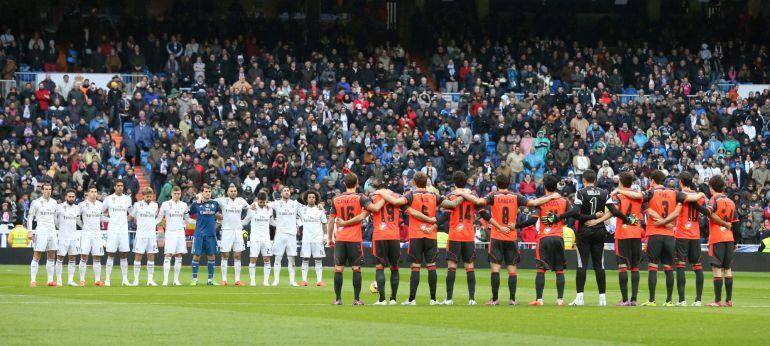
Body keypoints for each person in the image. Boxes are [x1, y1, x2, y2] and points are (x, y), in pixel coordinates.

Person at [461, 173, 557, 305]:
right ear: (509, 184)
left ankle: (495, 299)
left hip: (496, 236)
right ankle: (512, 299)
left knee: (495, 269)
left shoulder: (493, 196)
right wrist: (552, 196)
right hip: (511, 236)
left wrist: (461, 192)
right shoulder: (516, 196)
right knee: (512, 270)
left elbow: (479, 203)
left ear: (497, 184)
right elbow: (533, 202)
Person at [374, 172, 462, 306]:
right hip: (431, 235)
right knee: (432, 266)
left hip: (416, 234)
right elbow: (452, 204)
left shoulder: (411, 195)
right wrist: (465, 194)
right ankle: (433, 299)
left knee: (415, 266)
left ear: (414, 183)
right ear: (426, 182)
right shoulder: (434, 195)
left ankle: (411, 299)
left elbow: (397, 202)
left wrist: (381, 192)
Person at [616, 170, 700, 306]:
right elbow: (692, 198)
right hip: (669, 236)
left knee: (653, 267)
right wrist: (701, 193)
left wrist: (620, 190)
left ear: (652, 181)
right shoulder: (674, 193)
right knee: (668, 268)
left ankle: (651, 300)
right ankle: (669, 301)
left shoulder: (651, 193)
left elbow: (638, 197)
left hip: (654, 233)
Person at [554, 169, 625, 306]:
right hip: (599, 231)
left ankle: (580, 298)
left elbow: (575, 212)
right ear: (595, 180)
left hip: (584, 231)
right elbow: (614, 211)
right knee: (599, 264)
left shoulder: (580, 192)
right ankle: (602, 299)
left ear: (584, 180)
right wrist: (627, 219)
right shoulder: (605, 193)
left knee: (582, 264)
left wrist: (559, 217)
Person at [328, 173, 373, 305]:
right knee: (356, 268)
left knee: (338, 268)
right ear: (357, 184)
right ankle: (357, 299)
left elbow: (331, 220)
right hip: (354, 238)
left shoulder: (336, 199)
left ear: (344, 184)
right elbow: (370, 210)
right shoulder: (361, 197)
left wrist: (329, 238)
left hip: (340, 238)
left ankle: (338, 299)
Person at [528, 175, 571, 306]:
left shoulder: (540, 201)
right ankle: (560, 300)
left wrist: (516, 226)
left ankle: (539, 300)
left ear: (544, 187)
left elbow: (533, 220)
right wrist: (561, 220)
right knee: (559, 270)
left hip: (544, 238)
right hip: (558, 236)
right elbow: (571, 216)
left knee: (541, 269)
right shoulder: (564, 201)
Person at [673, 171, 707, 306]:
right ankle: (698, 300)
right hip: (695, 234)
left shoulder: (679, 195)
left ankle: (682, 300)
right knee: (698, 267)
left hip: (682, 234)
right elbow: (699, 203)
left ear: (680, 182)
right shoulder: (699, 197)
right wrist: (699, 193)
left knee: (680, 266)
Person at [705, 175, 738, 307]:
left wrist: (723, 224)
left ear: (711, 187)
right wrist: (735, 242)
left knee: (717, 268)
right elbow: (735, 224)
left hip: (717, 237)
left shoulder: (714, 198)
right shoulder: (731, 201)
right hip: (729, 237)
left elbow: (709, 213)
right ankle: (728, 300)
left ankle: (717, 301)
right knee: (728, 268)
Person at [213, 185, 249, 286]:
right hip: (226, 230)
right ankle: (224, 280)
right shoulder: (222, 200)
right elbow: (211, 202)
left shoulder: (241, 201)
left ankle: (237, 280)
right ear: (228, 192)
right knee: (225, 255)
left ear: (236, 192)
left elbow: (250, 208)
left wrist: (244, 221)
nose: (233, 192)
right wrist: (200, 197)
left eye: (234, 191)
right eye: (231, 191)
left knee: (237, 255)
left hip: (238, 231)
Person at [268, 186, 302, 287]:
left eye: (288, 191)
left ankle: (292, 281)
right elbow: (264, 205)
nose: (286, 192)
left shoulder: (295, 204)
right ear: (281, 193)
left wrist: (298, 224)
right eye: (284, 191)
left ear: (290, 193)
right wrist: (272, 221)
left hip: (291, 235)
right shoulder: (276, 203)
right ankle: (276, 281)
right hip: (280, 234)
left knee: (291, 258)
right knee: (278, 257)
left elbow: (305, 211)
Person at [189, 184, 222, 286]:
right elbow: (188, 214)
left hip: (211, 235)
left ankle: (210, 280)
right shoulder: (196, 204)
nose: (208, 193)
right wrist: (197, 198)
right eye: (206, 191)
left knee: (211, 256)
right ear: (202, 192)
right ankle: (194, 279)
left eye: (209, 191)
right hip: (199, 234)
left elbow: (217, 215)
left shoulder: (215, 204)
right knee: (197, 255)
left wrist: (217, 224)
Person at [156, 186, 190, 286]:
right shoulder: (165, 204)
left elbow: (187, 218)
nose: (176, 195)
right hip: (170, 232)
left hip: (180, 232)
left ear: (181, 194)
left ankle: (176, 280)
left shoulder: (184, 205)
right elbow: (159, 218)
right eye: (175, 194)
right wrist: (164, 226)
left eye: (178, 194)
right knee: (168, 255)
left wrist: (185, 225)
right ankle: (165, 280)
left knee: (179, 255)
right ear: (171, 194)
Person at [28, 182, 59, 287]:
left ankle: (50, 280)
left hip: (52, 231)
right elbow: (30, 217)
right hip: (41, 231)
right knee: (37, 255)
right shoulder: (36, 202)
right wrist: (30, 231)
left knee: (51, 255)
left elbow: (55, 218)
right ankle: (33, 280)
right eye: (46, 189)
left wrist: (59, 228)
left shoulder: (54, 202)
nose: (48, 191)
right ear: (42, 190)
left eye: (50, 189)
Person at [103, 180, 133, 287]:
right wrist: (108, 220)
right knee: (110, 254)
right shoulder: (108, 199)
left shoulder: (127, 199)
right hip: (112, 230)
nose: (120, 187)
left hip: (123, 231)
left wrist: (127, 219)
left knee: (124, 254)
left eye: (122, 186)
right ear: (115, 187)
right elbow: (101, 212)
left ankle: (125, 279)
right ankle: (107, 279)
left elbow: (132, 212)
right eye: (118, 186)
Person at [296, 190, 327, 287]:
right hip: (306, 239)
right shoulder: (302, 210)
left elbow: (324, 223)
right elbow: (296, 217)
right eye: (309, 197)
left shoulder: (320, 210)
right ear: (306, 199)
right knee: (305, 259)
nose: (311, 199)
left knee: (318, 259)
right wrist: (300, 225)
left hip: (317, 238)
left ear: (316, 199)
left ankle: (319, 281)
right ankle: (304, 281)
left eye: (313, 197)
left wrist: (325, 236)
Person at [130, 187, 159, 286]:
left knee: (151, 256)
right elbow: (131, 216)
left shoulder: (155, 205)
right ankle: (136, 280)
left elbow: (157, 218)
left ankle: (150, 280)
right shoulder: (137, 205)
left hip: (151, 235)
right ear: (143, 196)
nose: (149, 198)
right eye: (147, 196)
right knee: (138, 256)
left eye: (151, 196)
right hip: (141, 235)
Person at [244, 191, 274, 286]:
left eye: (263, 202)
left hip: (266, 238)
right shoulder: (252, 208)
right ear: (257, 200)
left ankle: (265, 281)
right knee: (253, 259)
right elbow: (245, 221)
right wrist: (236, 225)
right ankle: (252, 280)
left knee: (267, 259)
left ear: (266, 201)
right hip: (255, 237)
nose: (262, 204)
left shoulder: (270, 209)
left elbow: (272, 222)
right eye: (260, 202)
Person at [79, 185, 105, 286]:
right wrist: (83, 226)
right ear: (88, 193)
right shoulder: (82, 205)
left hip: (97, 234)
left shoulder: (100, 204)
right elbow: (77, 218)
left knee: (97, 257)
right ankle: (82, 280)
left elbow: (102, 218)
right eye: (92, 191)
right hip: (86, 234)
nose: (94, 193)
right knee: (84, 256)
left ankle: (97, 280)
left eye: (95, 191)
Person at [55, 189, 81, 287]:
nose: (71, 198)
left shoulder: (77, 208)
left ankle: (70, 280)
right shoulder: (60, 207)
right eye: (69, 196)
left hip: (73, 236)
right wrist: (59, 227)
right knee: (60, 257)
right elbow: (54, 218)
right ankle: (59, 280)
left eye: (73, 197)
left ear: (75, 197)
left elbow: (78, 221)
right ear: (66, 197)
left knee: (72, 258)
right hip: (63, 236)